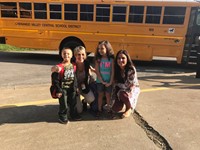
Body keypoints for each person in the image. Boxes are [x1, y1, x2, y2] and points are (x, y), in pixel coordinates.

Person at [51, 47, 81, 124]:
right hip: (63, 88)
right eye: (64, 53)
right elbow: (55, 79)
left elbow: (75, 78)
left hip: (72, 88)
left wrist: (76, 87)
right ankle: (62, 115)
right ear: (61, 55)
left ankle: (73, 114)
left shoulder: (74, 65)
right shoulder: (60, 66)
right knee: (63, 103)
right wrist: (58, 90)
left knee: (73, 102)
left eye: (68, 53)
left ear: (71, 55)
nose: (66, 55)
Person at [111, 50, 140, 118]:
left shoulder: (131, 70)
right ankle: (123, 103)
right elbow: (114, 84)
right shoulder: (116, 69)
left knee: (122, 94)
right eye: (118, 58)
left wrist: (117, 85)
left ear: (127, 59)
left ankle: (128, 109)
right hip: (121, 89)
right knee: (115, 109)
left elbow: (128, 85)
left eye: (123, 58)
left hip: (131, 89)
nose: (120, 60)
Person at [73, 46, 97, 113]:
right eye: (78, 54)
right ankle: (72, 103)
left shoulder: (86, 64)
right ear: (75, 55)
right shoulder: (72, 65)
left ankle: (84, 101)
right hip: (75, 88)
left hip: (84, 86)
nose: (81, 56)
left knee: (92, 99)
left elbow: (93, 72)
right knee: (79, 111)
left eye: (83, 54)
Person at [95, 40, 114, 116]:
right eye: (99, 49)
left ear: (107, 48)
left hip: (108, 81)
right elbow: (97, 71)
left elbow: (112, 72)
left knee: (108, 96)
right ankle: (99, 109)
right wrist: (101, 80)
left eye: (102, 48)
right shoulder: (98, 60)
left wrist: (110, 82)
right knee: (100, 95)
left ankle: (109, 109)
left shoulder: (111, 60)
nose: (100, 51)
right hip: (100, 81)